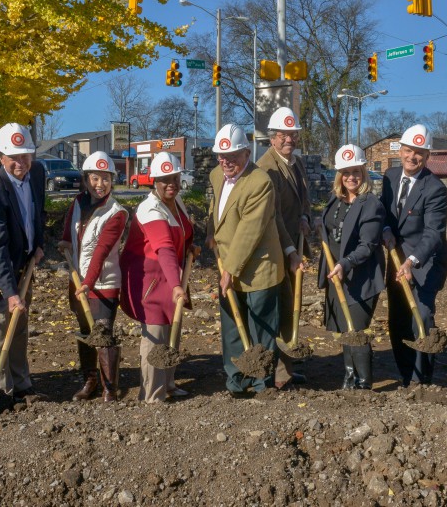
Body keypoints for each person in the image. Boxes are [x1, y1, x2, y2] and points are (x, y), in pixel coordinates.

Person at [207, 123, 285, 395]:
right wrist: (210, 233)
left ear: (247, 152)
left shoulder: (260, 182)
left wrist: (230, 270)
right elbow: (216, 208)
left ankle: (262, 382)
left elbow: (249, 231)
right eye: (221, 156)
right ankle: (237, 380)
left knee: (260, 326)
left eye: (232, 156)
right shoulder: (217, 175)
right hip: (228, 263)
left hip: (258, 266)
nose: (226, 162)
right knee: (231, 326)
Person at [0, 124, 46, 400]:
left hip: (24, 261)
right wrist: (11, 292)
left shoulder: (37, 173)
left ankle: (22, 382)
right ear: (1, 157)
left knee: (20, 325)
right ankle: (0, 388)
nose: (21, 163)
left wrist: (37, 244)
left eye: (26, 156)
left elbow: (38, 210)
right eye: (14, 157)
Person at [120, 152, 194, 403]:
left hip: (171, 275)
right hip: (149, 278)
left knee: (173, 328)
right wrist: (176, 285)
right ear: (154, 181)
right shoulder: (149, 208)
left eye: (174, 177)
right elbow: (164, 249)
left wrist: (192, 245)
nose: (170, 183)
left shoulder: (177, 201)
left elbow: (184, 231)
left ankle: (169, 383)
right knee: (155, 334)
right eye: (164, 179)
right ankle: (152, 394)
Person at [380, 124, 447, 387]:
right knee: (397, 320)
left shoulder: (435, 189)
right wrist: (385, 229)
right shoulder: (389, 176)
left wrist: (412, 261)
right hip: (396, 259)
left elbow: (433, 233)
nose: (412, 157)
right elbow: (385, 211)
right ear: (401, 150)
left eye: (419, 152)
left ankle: (423, 379)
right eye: (409, 150)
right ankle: (406, 375)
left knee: (421, 316)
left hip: (425, 262)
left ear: (427, 156)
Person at [59, 151, 128, 402]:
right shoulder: (78, 203)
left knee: (103, 332)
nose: (100, 185)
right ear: (86, 180)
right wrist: (66, 240)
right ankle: (90, 381)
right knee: (85, 331)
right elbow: (71, 225)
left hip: (103, 284)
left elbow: (102, 249)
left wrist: (89, 282)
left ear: (112, 180)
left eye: (106, 179)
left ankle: (110, 387)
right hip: (79, 282)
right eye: (95, 179)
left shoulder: (117, 213)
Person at [318, 145, 385, 390]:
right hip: (338, 276)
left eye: (356, 171)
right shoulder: (335, 199)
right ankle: (349, 378)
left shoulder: (371, 204)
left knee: (356, 328)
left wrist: (344, 263)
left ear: (364, 172)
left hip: (361, 276)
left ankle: (364, 383)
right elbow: (331, 226)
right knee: (345, 329)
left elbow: (368, 245)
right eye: (346, 172)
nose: (351, 177)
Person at [256, 106, 311, 389]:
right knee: (279, 307)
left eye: (293, 135)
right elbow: (273, 216)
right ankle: (277, 371)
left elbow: (303, 198)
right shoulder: (266, 168)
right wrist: (289, 251)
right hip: (276, 250)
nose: (289, 140)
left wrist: (305, 216)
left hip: (294, 245)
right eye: (283, 136)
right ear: (272, 138)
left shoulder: (296, 163)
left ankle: (287, 366)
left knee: (292, 306)